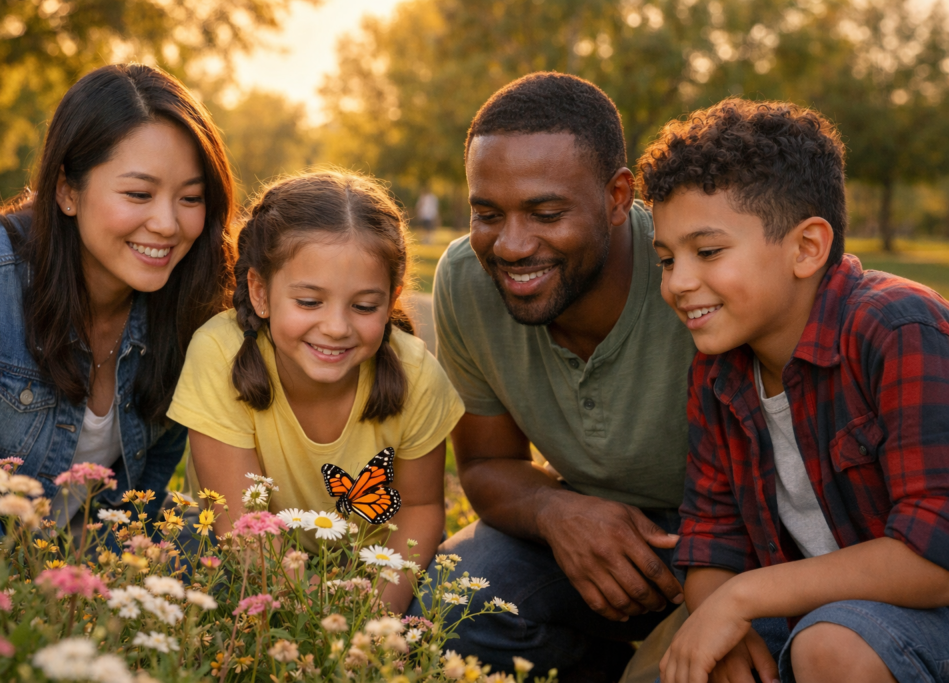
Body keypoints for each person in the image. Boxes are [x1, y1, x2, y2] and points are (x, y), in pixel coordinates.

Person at [642, 99, 949, 683]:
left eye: (707, 252)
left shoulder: (898, 328)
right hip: (806, 612)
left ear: (806, 248)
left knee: (831, 648)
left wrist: (741, 601)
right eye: (666, 259)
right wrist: (720, 618)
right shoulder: (717, 374)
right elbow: (710, 545)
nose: (679, 283)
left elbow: (935, 558)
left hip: (923, 617)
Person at [413, 72, 698, 679]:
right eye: (487, 213)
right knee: (448, 603)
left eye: (545, 212)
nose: (511, 246)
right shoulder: (467, 279)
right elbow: (487, 466)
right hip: (585, 535)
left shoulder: (693, 270)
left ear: (618, 197)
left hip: (742, 541)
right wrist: (555, 511)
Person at [0, 63, 236, 528]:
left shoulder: (194, 297)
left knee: (204, 539)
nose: (169, 224)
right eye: (138, 193)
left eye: (190, 198)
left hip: (92, 561)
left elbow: (141, 502)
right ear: (68, 191)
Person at [166, 170, 464, 614]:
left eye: (364, 306)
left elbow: (419, 508)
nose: (337, 327)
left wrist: (371, 620)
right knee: (184, 556)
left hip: (373, 569)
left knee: (456, 598)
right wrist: (317, 625)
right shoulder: (219, 353)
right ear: (260, 292)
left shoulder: (416, 372)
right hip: (247, 556)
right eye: (309, 302)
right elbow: (241, 526)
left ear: (391, 299)